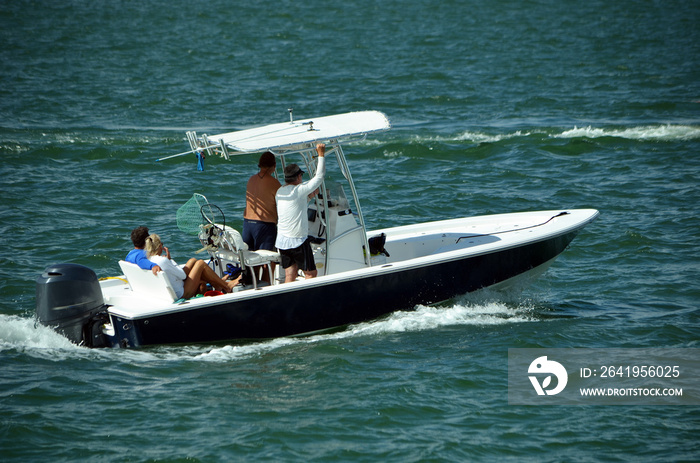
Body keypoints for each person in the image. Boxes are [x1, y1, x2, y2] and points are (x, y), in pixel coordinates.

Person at [274, 143, 326, 283]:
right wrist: (321, 154)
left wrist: (309, 197)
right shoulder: (299, 190)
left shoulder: (280, 192)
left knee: (290, 274)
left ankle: (287, 301)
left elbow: (294, 206)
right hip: (297, 240)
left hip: (282, 241)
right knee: (311, 273)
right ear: (298, 177)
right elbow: (319, 177)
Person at [144, 233, 237, 299]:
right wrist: (170, 260)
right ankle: (226, 286)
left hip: (173, 289)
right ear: (160, 246)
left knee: (192, 261)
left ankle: (218, 284)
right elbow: (183, 276)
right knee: (200, 263)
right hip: (181, 293)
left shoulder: (149, 260)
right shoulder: (163, 260)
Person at [242, 151, 281, 283]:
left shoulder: (251, 179)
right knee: (269, 262)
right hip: (264, 226)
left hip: (247, 224)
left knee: (253, 262)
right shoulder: (275, 183)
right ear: (273, 166)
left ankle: (252, 286)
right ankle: (267, 288)